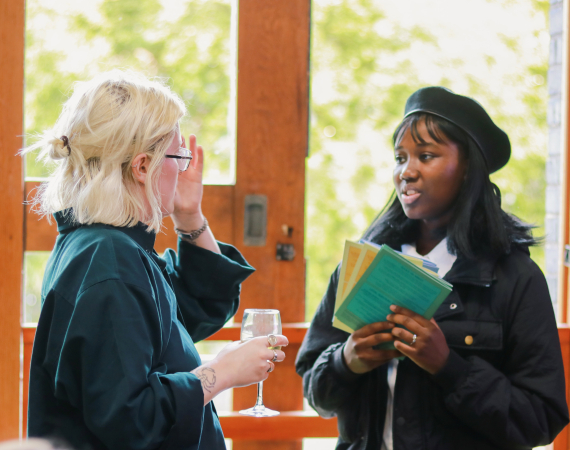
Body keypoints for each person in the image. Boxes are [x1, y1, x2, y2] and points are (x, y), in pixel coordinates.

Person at [23, 70, 288, 450]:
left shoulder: (107, 245)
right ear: (143, 166)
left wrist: (189, 216)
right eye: (178, 156)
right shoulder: (108, 262)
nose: (183, 169)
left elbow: (196, 308)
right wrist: (222, 372)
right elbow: (130, 421)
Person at [296, 86, 569, 450]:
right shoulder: (362, 266)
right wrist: (346, 361)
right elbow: (317, 394)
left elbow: (539, 419)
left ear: (468, 166)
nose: (406, 172)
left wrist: (449, 366)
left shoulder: (515, 277)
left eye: (425, 155)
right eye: (400, 157)